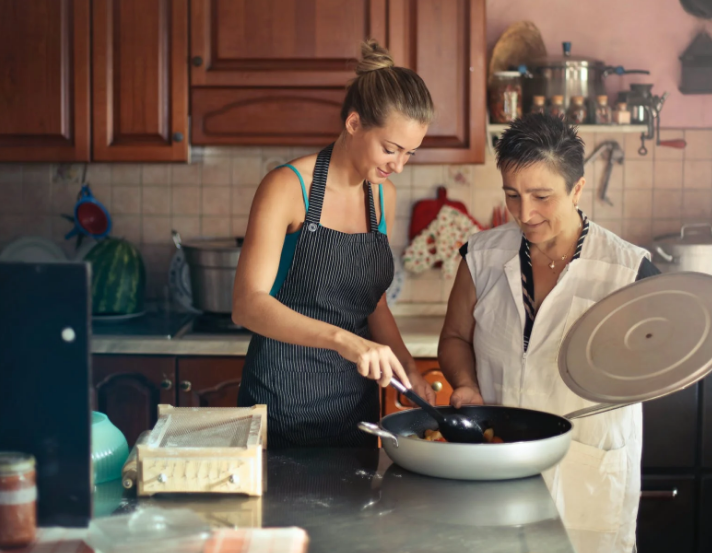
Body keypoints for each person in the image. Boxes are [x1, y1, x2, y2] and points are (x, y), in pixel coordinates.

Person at [438, 113, 660, 552]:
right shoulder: (480, 256)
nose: (525, 213)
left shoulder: (628, 270)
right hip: (498, 466)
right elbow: (455, 338)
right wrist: (465, 384)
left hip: (588, 474)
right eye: (512, 195)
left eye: (542, 196)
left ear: (577, 189)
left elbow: (658, 366)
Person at [233, 40, 437, 448]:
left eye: (410, 153)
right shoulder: (287, 187)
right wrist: (344, 340)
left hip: (355, 410)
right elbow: (247, 305)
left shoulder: (383, 196)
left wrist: (409, 368)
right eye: (390, 149)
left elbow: (372, 303)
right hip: (281, 402)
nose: (398, 165)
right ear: (354, 124)